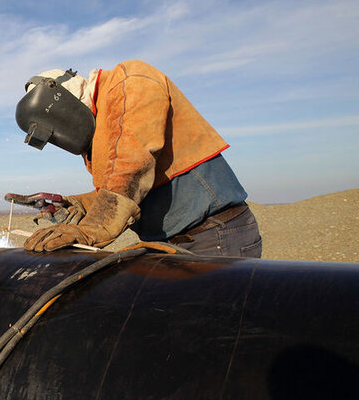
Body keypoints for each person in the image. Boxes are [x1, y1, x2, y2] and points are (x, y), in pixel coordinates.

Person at [14, 61, 261, 257]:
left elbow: (131, 169)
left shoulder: (128, 80)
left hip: (213, 235)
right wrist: (77, 205)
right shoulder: (96, 133)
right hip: (168, 243)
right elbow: (130, 190)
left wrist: (89, 230)